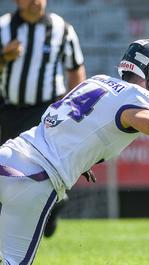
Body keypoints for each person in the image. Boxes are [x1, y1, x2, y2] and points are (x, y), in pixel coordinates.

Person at [0, 38, 149, 265]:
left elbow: (62, 122)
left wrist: (81, 157)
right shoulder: (136, 97)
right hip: (36, 178)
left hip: (8, 155)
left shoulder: (96, 81)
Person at [0, 0, 87, 238]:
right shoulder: (3, 28)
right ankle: (51, 207)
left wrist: (74, 112)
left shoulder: (62, 29)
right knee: (8, 176)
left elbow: (76, 69)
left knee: (34, 171)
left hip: (44, 112)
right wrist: (3, 57)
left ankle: (51, 204)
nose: (36, 2)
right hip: (8, 110)